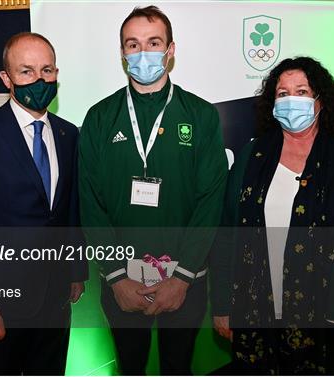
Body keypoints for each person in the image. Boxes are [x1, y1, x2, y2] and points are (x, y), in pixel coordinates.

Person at [210, 56, 334, 374]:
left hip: (324, 317)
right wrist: (222, 305)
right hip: (255, 313)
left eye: (302, 91)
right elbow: (226, 235)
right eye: (282, 93)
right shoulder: (253, 155)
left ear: (320, 101)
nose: (292, 100)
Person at [78, 6, 227, 375]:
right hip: (122, 283)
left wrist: (182, 277)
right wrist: (115, 275)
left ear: (170, 49)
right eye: (133, 44)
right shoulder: (99, 118)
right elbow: (89, 203)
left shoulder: (201, 115)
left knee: (178, 368)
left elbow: (211, 202)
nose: (143, 53)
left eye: (153, 42)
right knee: (130, 368)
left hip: (185, 283)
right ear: (122, 53)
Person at [0, 32, 87, 375]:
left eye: (47, 70)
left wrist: (76, 271)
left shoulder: (70, 135)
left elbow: (69, 213)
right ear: (6, 78)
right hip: (0, 307)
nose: (39, 80)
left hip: (56, 303)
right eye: (26, 71)